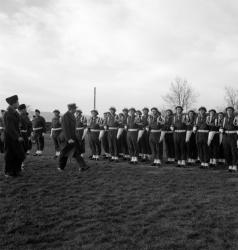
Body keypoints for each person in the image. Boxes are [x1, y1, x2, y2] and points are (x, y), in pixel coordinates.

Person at [58, 103, 89, 172]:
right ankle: (61, 167)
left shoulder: (72, 115)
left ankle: (83, 166)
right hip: (66, 138)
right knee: (64, 153)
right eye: (74, 109)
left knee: (76, 152)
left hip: (72, 137)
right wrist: (68, 139)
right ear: (71, 109)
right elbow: (65, 128)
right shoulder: (65, 116)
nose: (75, 110)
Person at [3, 95, 25, 177]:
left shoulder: (14, 112)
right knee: (10, 155)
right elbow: (10, 128)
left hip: (14, 136)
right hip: (10, 137)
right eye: (17, 102)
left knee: (19, 154)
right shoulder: (8, 113)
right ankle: (8, 172)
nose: (18, 103)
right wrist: (17, 136)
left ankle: (16, 170)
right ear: (13, 103)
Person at [220, 106, 238, 172]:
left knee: (233, 151)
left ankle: (234, 165)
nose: (229, 111)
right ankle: (230, 165)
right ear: (226, 111)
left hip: (233, 136)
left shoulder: (236, 118)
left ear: (233, 111)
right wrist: (221, 129)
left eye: (230, 110)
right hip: (225, 136)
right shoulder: (224, 119)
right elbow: (221, 126)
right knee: (227, 151)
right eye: (228, 110)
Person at [18, 104, 32, 169]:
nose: (26, 110)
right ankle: (20, 163)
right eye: (24, 109)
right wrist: (19, 135)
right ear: (21, 110)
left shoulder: (26, 117)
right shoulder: (18, 116)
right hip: (21, 134)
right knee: (21, 149)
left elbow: (29, 125)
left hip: (25, 134)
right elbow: (18, 127)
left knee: (25, 148)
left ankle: (22, 162)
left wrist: (29, 134)